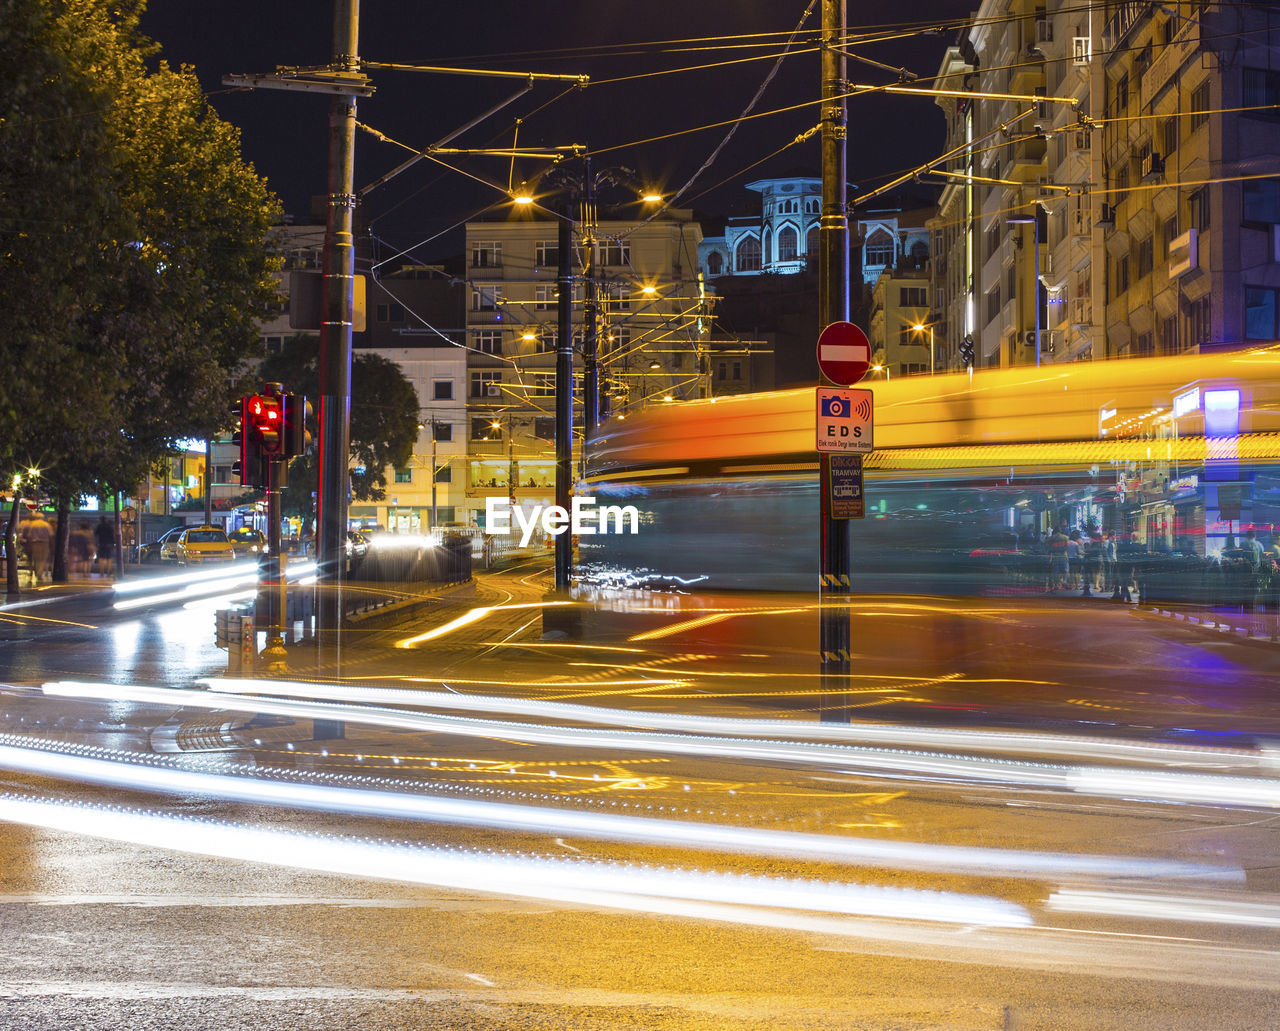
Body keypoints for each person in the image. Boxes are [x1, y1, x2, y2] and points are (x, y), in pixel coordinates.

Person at [20, 510, 52, 584]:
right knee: (42, 560)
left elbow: (29, 536)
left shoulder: (32, 525)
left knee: (36, 559)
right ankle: (39, 574)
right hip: (45, 543)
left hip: (34, 543)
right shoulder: (46, 525)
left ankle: (34, 572)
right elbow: (51, 535)